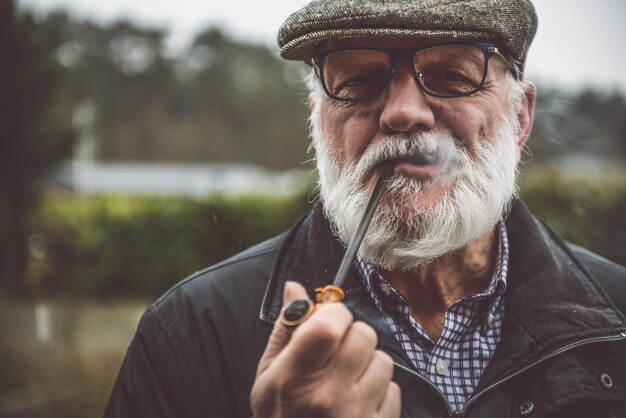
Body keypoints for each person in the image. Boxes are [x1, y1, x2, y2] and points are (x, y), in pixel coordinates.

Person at [104, 0, 626, 417]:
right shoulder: (192, 333)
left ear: (519, 119)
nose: (402, 113)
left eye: (450, 76)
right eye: (358, 79)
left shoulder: (618, 315)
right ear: (318, 117)